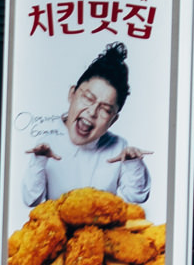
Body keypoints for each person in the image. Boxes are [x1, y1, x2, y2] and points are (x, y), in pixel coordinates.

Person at [21, 43, 150, 208]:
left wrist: (133, 163)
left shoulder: (118, 146)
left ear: (113, 120)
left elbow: (136, 197)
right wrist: (39, 161)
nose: (92, 112)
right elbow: (31, 199)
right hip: (58, 230)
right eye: (88, 98)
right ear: (72, 94)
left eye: (105, 109)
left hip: (100, 230)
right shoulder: (48, 139)